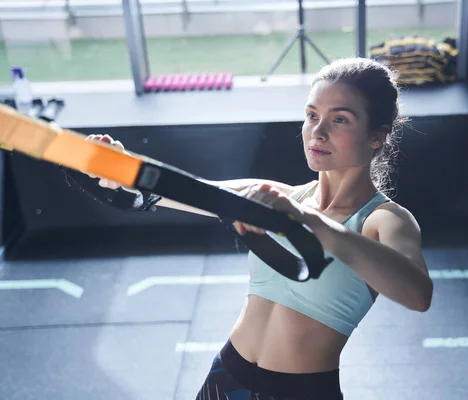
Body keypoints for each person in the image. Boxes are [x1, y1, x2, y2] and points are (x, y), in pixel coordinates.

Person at [85, 57, 433, 399]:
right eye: (312, 115)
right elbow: (185, 191)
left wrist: (310, 221)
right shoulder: (276, 196)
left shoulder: (384, 220)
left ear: (376, 136)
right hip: (227, 377)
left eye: (339, 119)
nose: (318, 131)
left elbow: (418, 296)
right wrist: (122, 171)